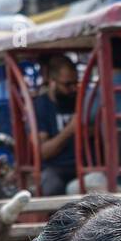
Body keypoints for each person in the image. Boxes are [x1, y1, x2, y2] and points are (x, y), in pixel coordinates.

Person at [34, 54, 79, 196]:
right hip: (56, 168)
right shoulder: (42, 106)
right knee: (52, 187)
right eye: (67, 84)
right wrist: (69, 130)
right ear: (52, 82)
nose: (73, 89)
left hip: (83, 165)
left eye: (75, 83)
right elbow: (44, 152)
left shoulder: (80, 99)